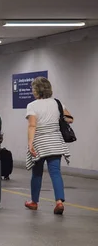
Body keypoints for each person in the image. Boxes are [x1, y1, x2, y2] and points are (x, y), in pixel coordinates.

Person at [25, 77, 73, 215]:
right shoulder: (57, 103)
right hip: (55, 141)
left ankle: (34, 202)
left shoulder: (32, 105)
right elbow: (70, 119)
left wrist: (30, 144)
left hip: (40, 142)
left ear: (36, 90)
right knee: (55, 172)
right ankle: (59, 202)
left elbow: (32, 125)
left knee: (37, 173)